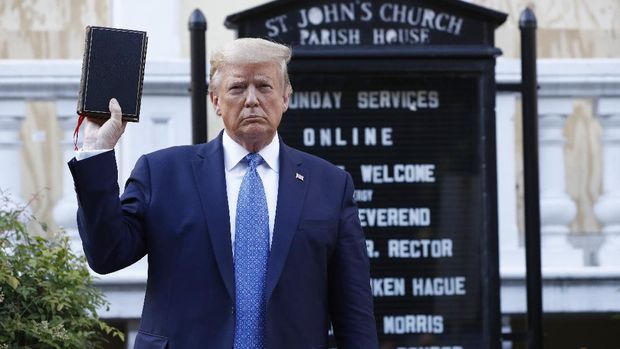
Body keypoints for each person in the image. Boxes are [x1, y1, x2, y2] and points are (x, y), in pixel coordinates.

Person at [69, 37, 378, 349]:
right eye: (238, 87)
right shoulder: (163, 173)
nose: (252, 100)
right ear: (215, 100)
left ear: (286, 97)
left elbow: (354, 312)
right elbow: (106, 255)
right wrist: (97, 151)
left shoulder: (329, 185)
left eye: (264, 86)